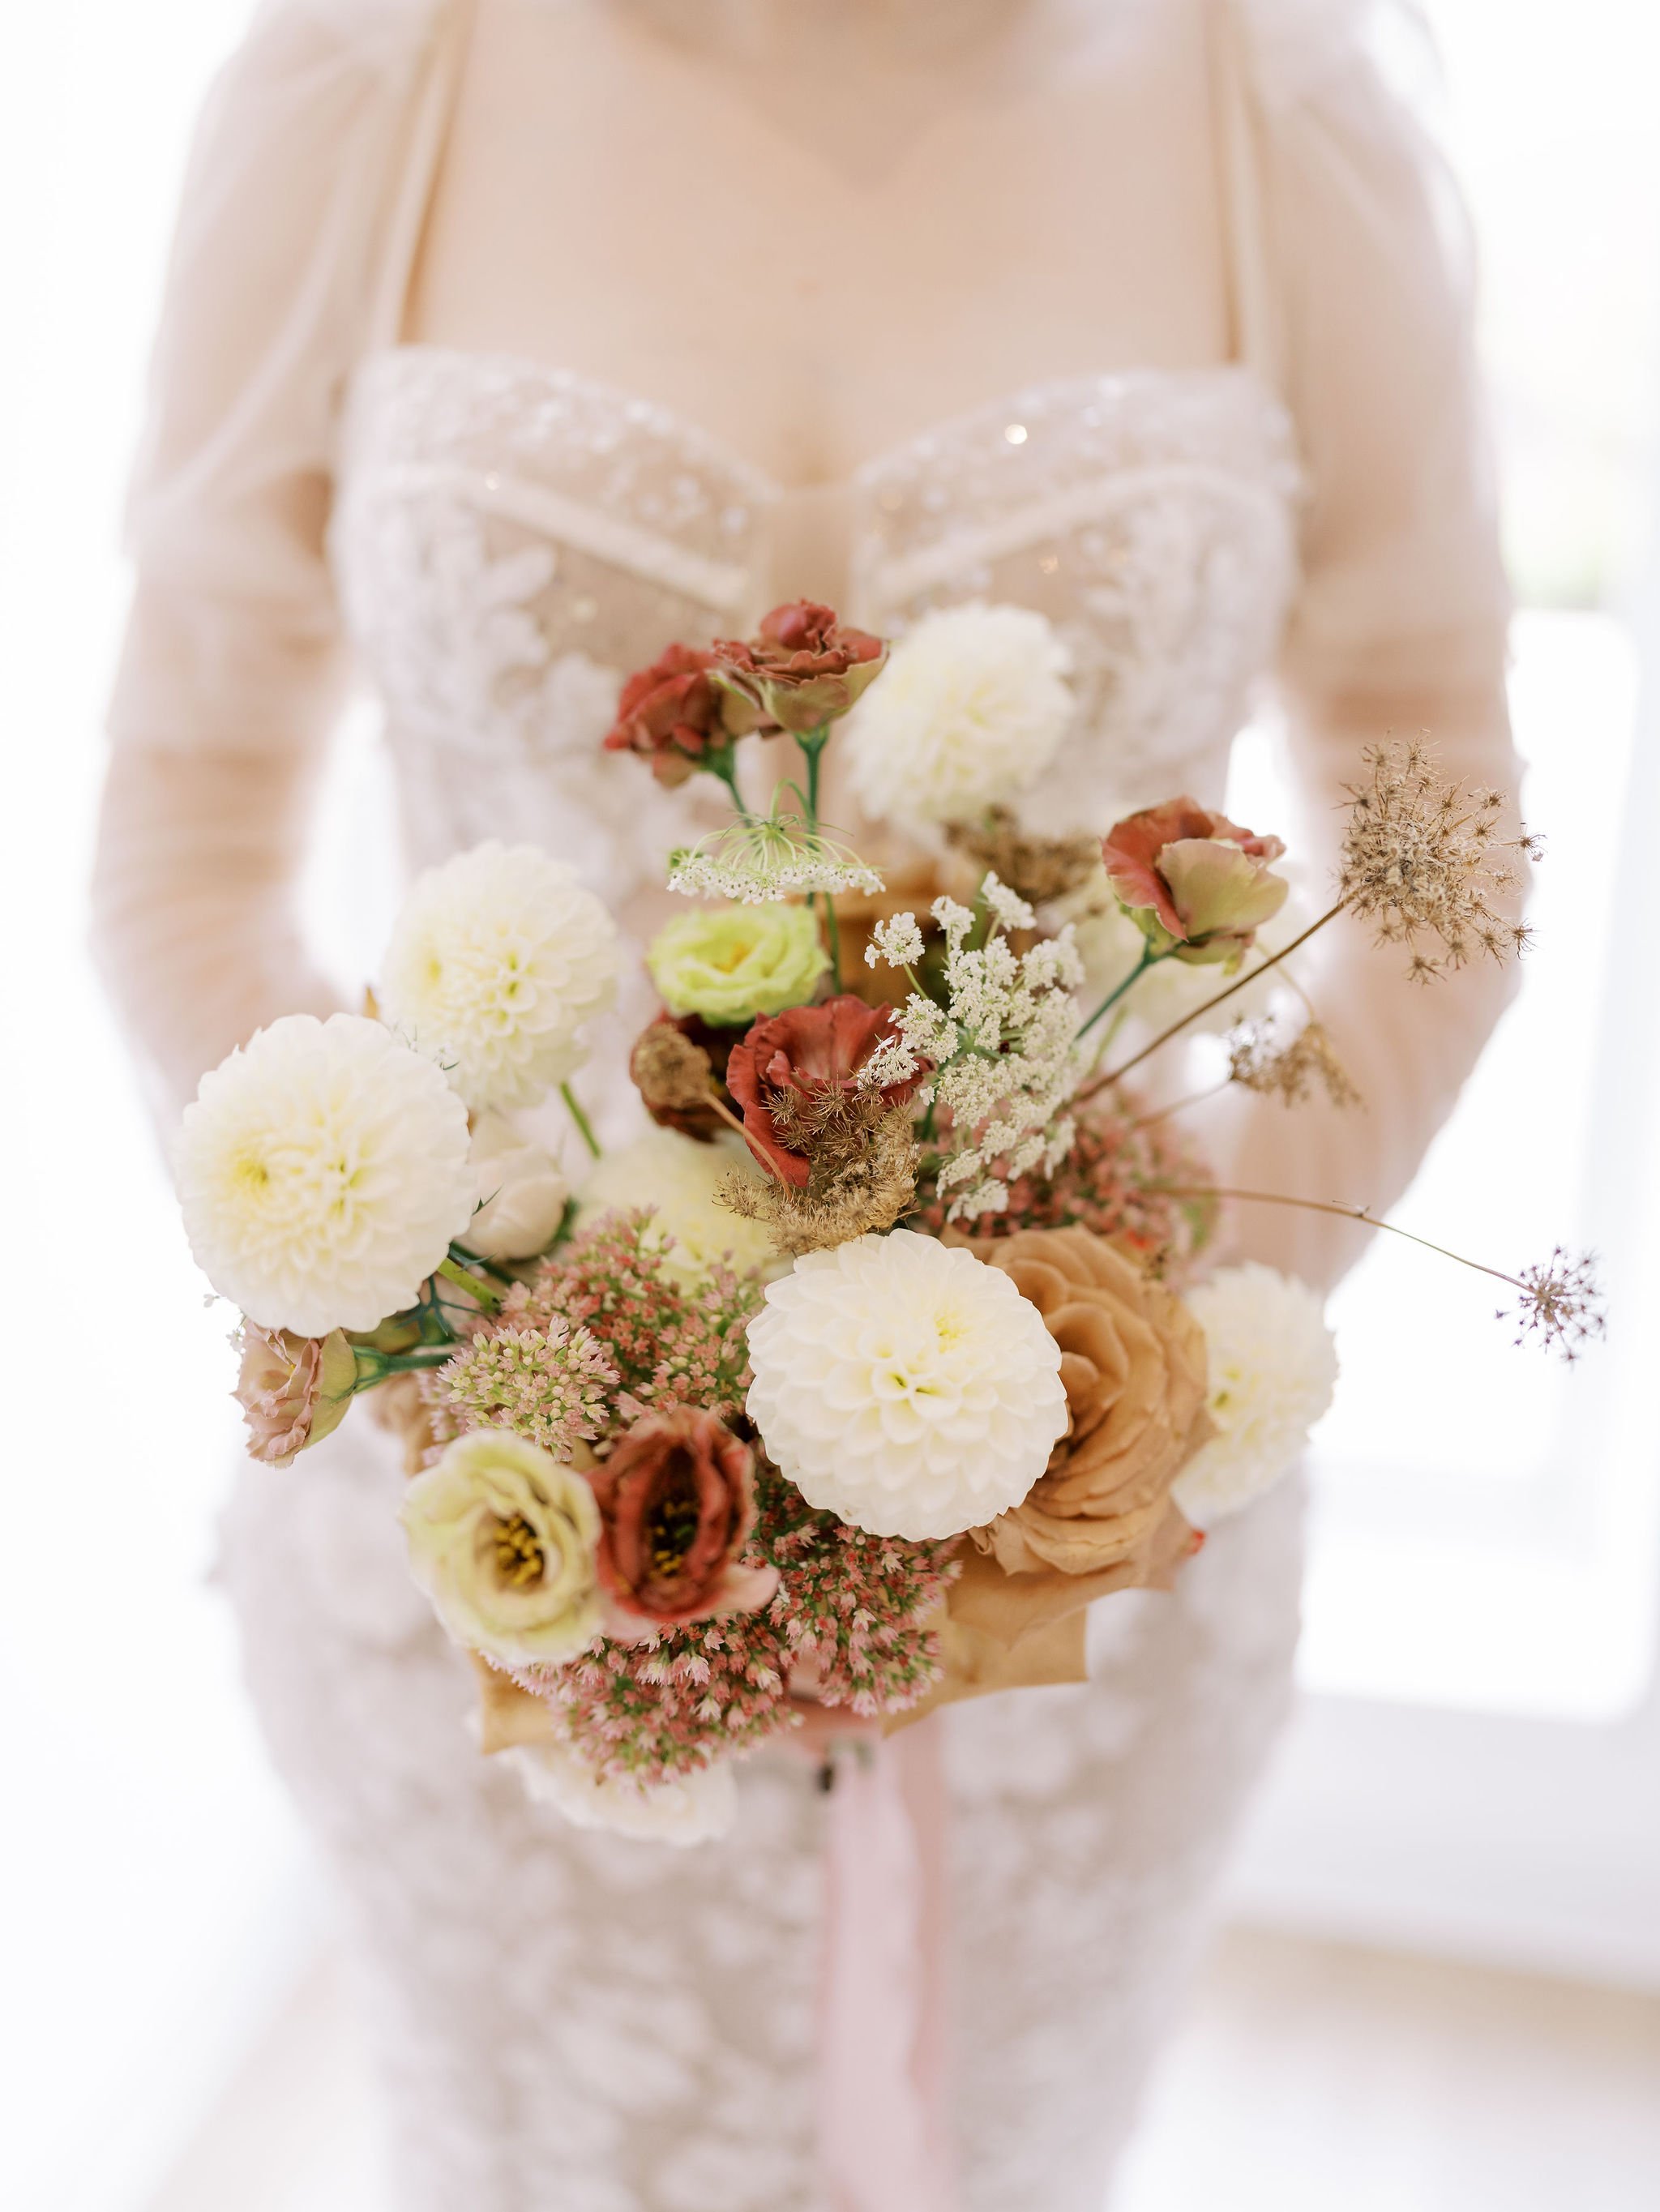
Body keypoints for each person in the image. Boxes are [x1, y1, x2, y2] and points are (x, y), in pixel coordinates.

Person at [92, 3, 1519, 2206]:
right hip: (488, 1538)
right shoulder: (370, 85)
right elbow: (182, 831)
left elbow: (1436, 792)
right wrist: (452, 1331)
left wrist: (1153, 1333)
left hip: (1096, 1582)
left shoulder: (1270, 99)